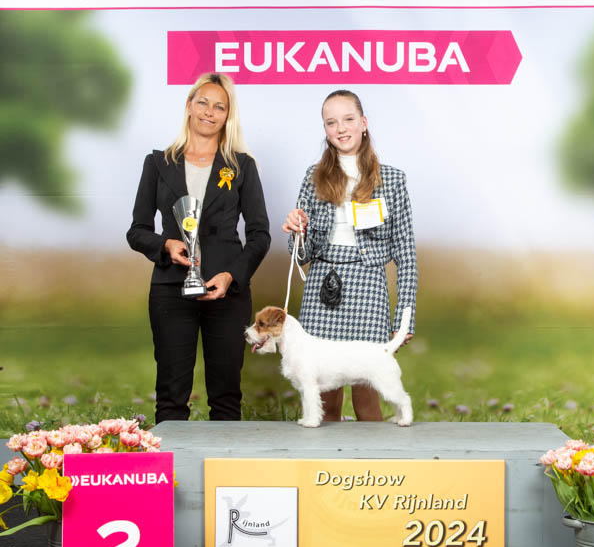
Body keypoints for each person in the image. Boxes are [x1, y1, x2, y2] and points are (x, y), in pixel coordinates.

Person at [127, 72, 270, 423]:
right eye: (203, 102)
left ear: (228, 115)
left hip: (227, 293)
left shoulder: (242, 166)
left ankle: (226, 459)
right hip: (170, 291)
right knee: (171, 395)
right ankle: (174, 460)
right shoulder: (157, 163)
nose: (209, 111)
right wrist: (166, 245)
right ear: (189, 105)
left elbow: (260, 235)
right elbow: (137, 231)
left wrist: (231, 276)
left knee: (226, 396)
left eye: (219, 106)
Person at [283, 89, 417, 422]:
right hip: (322, 287)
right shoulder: (312, 177)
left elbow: (406, 253)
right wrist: (297, 231)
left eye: (348, 119)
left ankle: (371, 457)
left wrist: (406, 316)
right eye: (331, 122)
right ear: (325, 129)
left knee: (367, 396)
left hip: (368, 288)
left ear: (363, 123)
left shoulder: (393, 180)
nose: (341, 128)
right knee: (324, 400)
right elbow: (301, 255)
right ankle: (325, 457)